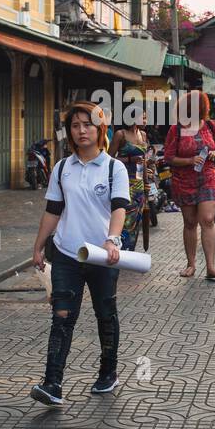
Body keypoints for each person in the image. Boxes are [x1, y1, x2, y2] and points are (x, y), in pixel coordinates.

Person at [30, 102, 130, 407]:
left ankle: (108, 372)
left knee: (105, 314)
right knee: (62, 315)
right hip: (66, 253)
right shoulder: (62, 168)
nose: (81, 130)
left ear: (100, 129)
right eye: (75, 126)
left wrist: (113, 240)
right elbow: (53, 210)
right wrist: (37, 246)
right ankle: (53, 383)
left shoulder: (115, 168)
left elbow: (119, 208)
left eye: (87, 124)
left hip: (102, 256)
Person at [164, 91, 215, 280]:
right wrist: (190, 160)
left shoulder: (210, 125)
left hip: (208, 176)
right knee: (190, 223)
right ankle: (191, 264)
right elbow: (168, 158)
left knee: (207, 220)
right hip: (184, 181)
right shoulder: (177, 129)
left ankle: (211, 267)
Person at [107, 114, 151, 251]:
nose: (145, 121)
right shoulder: (120, 134)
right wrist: (129, 160)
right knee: (124, 219)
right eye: (143, 117)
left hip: (138, 184)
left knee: (135, 220)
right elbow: (109, 159)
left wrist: (146, 183)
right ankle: (118, 248)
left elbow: (143, 161)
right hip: (123, 182)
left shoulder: (143, 134)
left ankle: (129, 250)